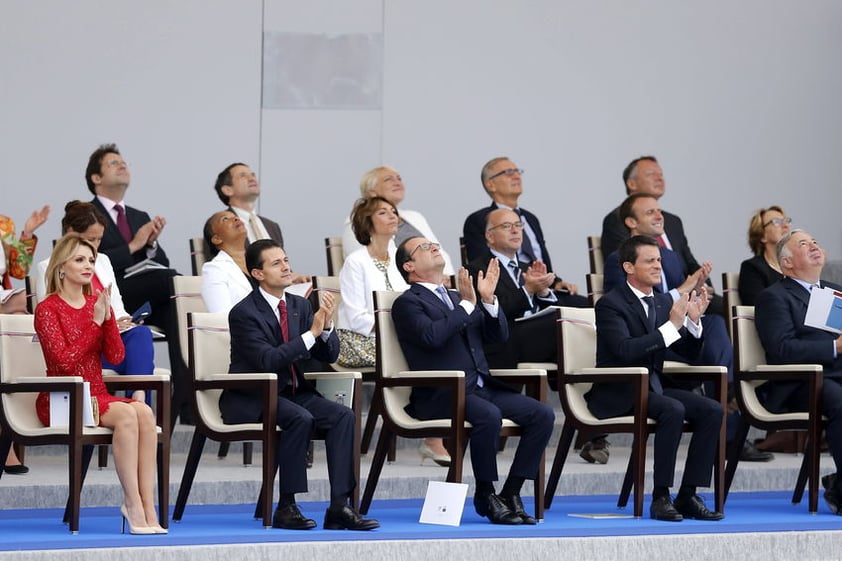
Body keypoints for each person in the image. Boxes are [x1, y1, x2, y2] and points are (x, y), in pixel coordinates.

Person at [392, 236, 555, 525]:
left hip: (479, 387)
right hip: (442, 393)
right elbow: (432, 337)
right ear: (409, 266)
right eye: (424, 247)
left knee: (542, 414)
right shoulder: (408, 303)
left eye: (434, 243)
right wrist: (468, 304)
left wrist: (489, 302)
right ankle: (485, 492)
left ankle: (511, 492)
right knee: (489, 416)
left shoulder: (458, 297)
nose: (434, 246)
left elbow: (497, 338)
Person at [220, 239, 379, 531]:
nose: (286, 267)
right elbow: (268, 361)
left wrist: (327, 328)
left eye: (286, 259)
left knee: (343, 415)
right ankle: (287, 505)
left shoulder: (299, 305)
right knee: (300, 419)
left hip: (294, 392)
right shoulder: (244, 313)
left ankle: (339, 506)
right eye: (276, 263)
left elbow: (327, 354)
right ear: (258, 274)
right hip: (255, 395)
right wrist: (311, 333)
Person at [602, 194, 771, 462]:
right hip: (638, 368)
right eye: (650, 212)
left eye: (660, 210)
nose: (660, 216)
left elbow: (682, 336)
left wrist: (692, 319)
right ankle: (727, 390)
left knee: (713, 323)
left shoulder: (671, 257)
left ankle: (690, 492)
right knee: (677, 406)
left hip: (666, 352)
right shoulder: (617, 265)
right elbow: (630, 314)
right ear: (631, 222)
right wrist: (681, 297)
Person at [587, 235, 724, 522]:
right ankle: (661, 496)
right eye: (649, 260)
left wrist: (693, 323)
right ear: (628, 267)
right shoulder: (610, 304)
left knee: (711, 409)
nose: (657, 266)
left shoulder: (662, 302)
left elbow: (685, 350)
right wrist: (672, 326)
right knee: (672, 409)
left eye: (659, 260)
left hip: (653, 389)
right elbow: (625, 351)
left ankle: (688, 494)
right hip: (620, 392)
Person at [34, 233, 164, 534]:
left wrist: (107, 320)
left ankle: (148, 504)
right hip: (62, 397)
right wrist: (94, 322)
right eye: (80, 259)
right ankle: (132, 503)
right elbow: (64, 363)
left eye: (91, 260)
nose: (88, 265)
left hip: (97, 394)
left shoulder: (96, 302)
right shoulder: (48, 309)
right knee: (129, 414)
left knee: (144, 413)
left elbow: (116, 355)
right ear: (61, 267)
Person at [338, 197, 449, 465]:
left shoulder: (403, 261)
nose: (392, 216)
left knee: (437, 350)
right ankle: (434, 436)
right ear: (367, 221)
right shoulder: (356, 261)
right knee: (425, 354)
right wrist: (400, 327)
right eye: (383, 212)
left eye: (394, 212)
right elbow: (355, 318)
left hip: (398, 340)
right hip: (359, 340)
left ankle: (435, 432)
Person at [85, 143, 187, 422]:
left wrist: (151, 244)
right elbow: (89, 261)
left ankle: (186, 399)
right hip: (111, 294)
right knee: (173, 282)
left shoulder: (138, 215)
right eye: (113, 163)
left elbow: (160, 262)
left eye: (123, 161)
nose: (122, 166)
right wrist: (135, 244)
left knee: (178, 313)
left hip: (146, 294)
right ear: (96, 178)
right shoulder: (87, 213)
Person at [755, 229, 842, 515]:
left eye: (815, 241)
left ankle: (839, 485)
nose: (814, 246)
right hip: (800, 383)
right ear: (787, 263)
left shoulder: (832, 291)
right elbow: (782, 349)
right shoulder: (774, 297)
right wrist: (834, 347)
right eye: (804, 244)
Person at [35, 201, 156, 403]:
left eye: (100, 239)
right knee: (138, 356)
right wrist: (99, 324)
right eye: (91, 238)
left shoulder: (102, 260)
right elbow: (51, 322)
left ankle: (139, 398)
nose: (95, 246)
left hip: (109, 343)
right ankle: (139, 404)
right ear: (71, 232)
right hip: (79, 353)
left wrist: (121, 321)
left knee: (141, 334)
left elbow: (117, 307)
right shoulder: (47, 266)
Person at [600, 156, 722, 316]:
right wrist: (684, 289)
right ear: (631, 183)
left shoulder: (673, 222)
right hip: (651, 298)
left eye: (661, 174)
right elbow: (627, 262)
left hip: (683, 292)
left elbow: (689, 261)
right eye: (651, 174)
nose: (660, 178)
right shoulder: (616, 219)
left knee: (719, 313)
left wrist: (701, 284)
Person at [463, 156, 588, 306]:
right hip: (512, 292)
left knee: (592, 307)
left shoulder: (530, 218)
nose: (517, 176)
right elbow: (485, 267)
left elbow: (540, 259)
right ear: (491, 184)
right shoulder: (479, 220)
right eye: (508, 172)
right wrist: (529, 285)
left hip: (544, 290)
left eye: (517, 171)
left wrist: (555, 282)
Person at [465, 208, 558, 370]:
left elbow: (543, 309)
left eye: (518, 224)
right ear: (490, 236)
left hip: (535, 339)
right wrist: (528, 290)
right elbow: (491, 315)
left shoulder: (527, 268)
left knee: (570, 321)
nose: (515, 230)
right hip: (505, 344)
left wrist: (542, 291)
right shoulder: (477, 270)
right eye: (507, 226)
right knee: (560, 326)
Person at [0, 205, 49, 475]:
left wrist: (27, 232)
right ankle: (8, 442)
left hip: (2, 298)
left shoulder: (3, 224)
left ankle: (11, 426)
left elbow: (18, 270)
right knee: (20, 307)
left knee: (22, 304)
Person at [342, 165, 455, 281]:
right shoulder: (356, 223)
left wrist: (449, 282)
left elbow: (439, 251)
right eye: (388, 179)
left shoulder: (416, 217)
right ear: (372, 192)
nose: (397, 183)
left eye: (399, 178)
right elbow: (368, 268)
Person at [212, 162, 309, 284]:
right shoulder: (223, 227)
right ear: (227, 189)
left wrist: (291, 277)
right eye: (243, 176)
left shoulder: (272, 226)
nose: (252, 178)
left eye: (253, 174)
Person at [201, 210, 253, 313]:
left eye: (235, 216)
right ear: (217, 238)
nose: (236, 218)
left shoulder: (260, 259)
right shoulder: (213, 270)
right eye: (225, 219)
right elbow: (222, 317)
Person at [738, 205, 790, 305]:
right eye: (776, 222)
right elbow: (759, 306)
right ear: (762, 236)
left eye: (786, 221)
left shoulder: (798, 266)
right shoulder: (752, 268)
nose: (786, 226)